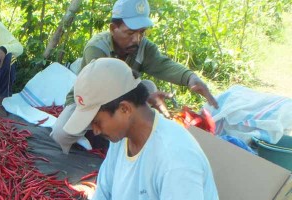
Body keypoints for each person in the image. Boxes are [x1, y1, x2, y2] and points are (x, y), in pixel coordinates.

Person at [63, 58, 228, 200]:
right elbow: (104, 195)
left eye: (97, 121)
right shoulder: (120, 139)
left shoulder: (174, 157)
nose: (95, 130)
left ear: (124, 109)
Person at [50, 0, 219, 154]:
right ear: (113, 29)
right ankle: (95, 132)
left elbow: (163, 64)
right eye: (130, 33)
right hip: (90, 102)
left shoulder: (143, 47)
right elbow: (104, 90)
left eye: (142, 32)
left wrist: (190, 78)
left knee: (148, 86)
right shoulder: (96, 48)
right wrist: (143, 97)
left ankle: (108, 134)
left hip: (120, 105)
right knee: (60, 136)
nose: (137, 39)